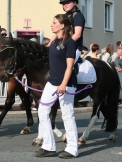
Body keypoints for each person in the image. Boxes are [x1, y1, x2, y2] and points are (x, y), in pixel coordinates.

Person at [34, 14, 78, 159]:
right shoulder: (54, 42)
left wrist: (64, 84)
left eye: (54, 23)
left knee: (67, 116)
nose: (51, 25)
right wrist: (53, 38)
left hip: (65, 84)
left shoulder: (70, 42)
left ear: (62, 25)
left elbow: (69, 66)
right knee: (42, 111)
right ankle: (48, 146)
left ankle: (72, 149)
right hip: (51, 83)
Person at [47, 0, 85, 64]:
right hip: (63, 46)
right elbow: (57, 33)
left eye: (67, 2)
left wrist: (64, 44)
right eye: (63, 3)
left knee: (64, 66)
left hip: (74, 48)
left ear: (75, 3)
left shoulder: (78, 16)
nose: (65, 5)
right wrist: (50, 44)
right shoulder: (65, 16)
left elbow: (77, 34)